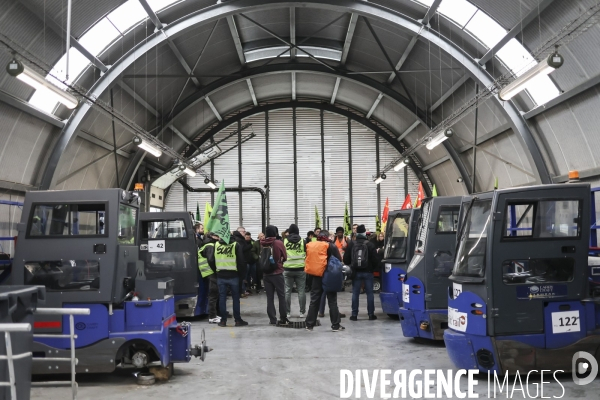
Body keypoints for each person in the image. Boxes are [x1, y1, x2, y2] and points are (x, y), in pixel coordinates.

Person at [305, 230, 345, 332]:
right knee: (332, 300)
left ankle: (309, 325)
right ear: (327, 236)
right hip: (329, 275)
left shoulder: (312, 245)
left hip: (316, 275)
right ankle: (335, 325)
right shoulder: (331, 246)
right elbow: (339, 260)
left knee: (314, 300)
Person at [344, 224, 379, 321]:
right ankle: (371, 314)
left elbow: (345, 259)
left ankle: (354, 315)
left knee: (355, 293)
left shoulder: (352, 244)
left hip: (356, 272)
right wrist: (372, 269)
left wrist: (352, 265)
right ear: (364, 233)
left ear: (356, 233)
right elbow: (376, 260)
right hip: (368, 272)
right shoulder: (370, 244)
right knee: (370, 293)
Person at [215, 234, 249, 327]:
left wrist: (216, 271)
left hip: (220, 275)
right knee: (235, 298)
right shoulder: (235, 245)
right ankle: (238, 320)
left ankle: (223, 321)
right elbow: (241, 261)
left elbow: (211, 259)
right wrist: (241, 275)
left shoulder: (217, 244)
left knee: (222, 298)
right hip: (234, 275)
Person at [260, 225, 290, 325]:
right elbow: (285, 257)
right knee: (281, 296)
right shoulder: (278, 243)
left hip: (266, 274)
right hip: (277, 273)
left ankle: (272, 319)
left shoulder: (262, 242)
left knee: (270, 297)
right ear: (275, 233)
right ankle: (283, 318)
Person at [283, 224, 307, 318]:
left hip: (287, 269)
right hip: (300, 269)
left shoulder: (284, 241)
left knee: (287, 291)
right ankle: (302, 312)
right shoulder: (303, 241)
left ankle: (287, 313)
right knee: (301, 291)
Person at [198, 232, 220, 323]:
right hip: (211, 272)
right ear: (212, 236)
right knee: (213, 294)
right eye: (217, 236)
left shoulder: (205, 245)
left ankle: (213, 314)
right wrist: (216, 270)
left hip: (207, 272)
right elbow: (211, 260)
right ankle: (212, 316)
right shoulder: (210, 245)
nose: (218, 238)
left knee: (213, 294)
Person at [232, 227, 251, 296]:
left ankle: (242, 290)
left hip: (243, 261)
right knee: (241, 278)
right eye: (243, 231)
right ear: (239, 232)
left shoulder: (239, 239)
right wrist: (250, 246)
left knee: (242, 278)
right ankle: (241, 291)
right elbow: (242, 250)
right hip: (241, 262)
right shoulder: (239, 240)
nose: (245, 233)